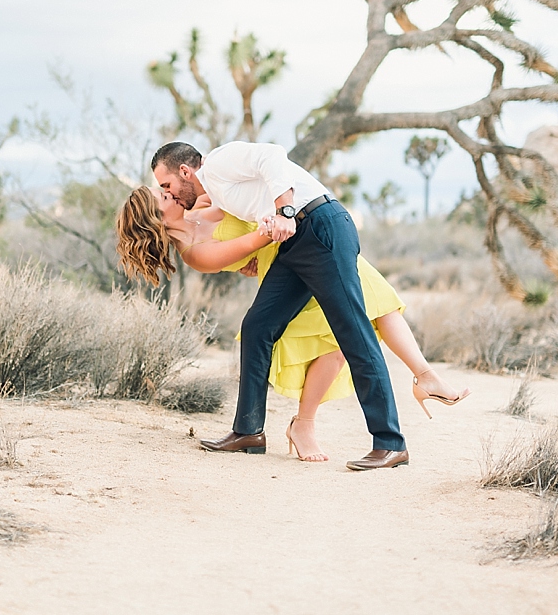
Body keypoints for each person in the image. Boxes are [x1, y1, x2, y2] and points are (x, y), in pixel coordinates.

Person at [116, 185, 469, 463]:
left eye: (165, 187)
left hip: (302, 245)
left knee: (376, 304)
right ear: (154, 218)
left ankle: (419, 383)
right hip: (287, 260)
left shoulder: (200, 203)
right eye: (162, 195)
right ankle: (301, 426)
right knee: (337, 339)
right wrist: (263, 237)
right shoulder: (195, 252)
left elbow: (239, 196)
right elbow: (254, 239)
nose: (170, 193)